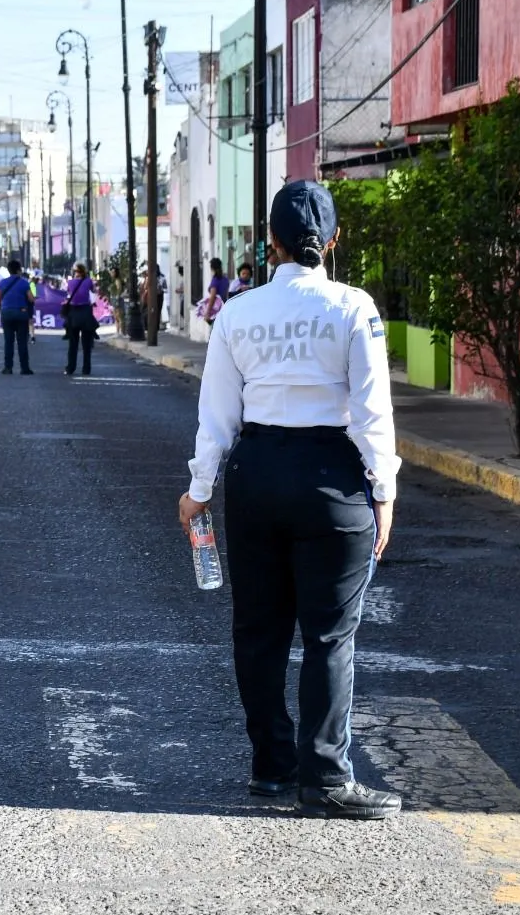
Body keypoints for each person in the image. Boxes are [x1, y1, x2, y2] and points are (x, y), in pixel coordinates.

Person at [178, 180, 400, 821]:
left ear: (267, 244)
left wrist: (198, 492)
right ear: (332, 241)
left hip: (256, 474)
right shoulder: (355, 307)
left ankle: (271, 769)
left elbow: (216, 416)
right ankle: (326, 777)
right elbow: (371, 414)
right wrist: (382, 491)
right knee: (330, 636)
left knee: (258, 631)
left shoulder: (237, 313)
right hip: (331, 477)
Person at [0, 257, 36, 375]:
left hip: (7, 313)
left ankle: (8, 367)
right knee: (22, 341)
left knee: (8, 341)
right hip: (21, 314)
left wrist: (1, 310)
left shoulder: (2, 283)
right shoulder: (24, 283)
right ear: (19, 270)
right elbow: (31, 299)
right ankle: (25, 368)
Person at [62, 263, 99, 376]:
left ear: (75, 272)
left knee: (73, 344)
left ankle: (70, 368)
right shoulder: (88, 281)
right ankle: (86, 369)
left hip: (73, 312)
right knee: (86, 345)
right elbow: (93, 291)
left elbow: (69, 292)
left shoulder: (70, 282)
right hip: (86, 312)